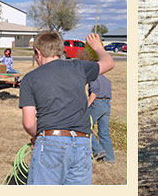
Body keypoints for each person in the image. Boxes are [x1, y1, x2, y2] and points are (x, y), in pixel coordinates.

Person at [19, 31, 114, 185]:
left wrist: (37, 136)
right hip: (82, 144)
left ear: (38, 52)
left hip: (51, 142)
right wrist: (98, 48)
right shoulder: (78, 67)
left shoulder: (30, 79)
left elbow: (29, 123)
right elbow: (109, 63)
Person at [88, 73, 115, 163]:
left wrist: (87, 105)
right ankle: (110, 158)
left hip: (97, 103)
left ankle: (98, 150)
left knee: (85, 127)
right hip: (107, 105)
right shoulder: (106, 79)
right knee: (104, 133)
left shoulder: (93, 77)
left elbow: (95, 92)